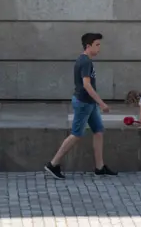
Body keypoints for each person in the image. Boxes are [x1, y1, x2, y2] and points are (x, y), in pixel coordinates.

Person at [44, 32, 117, 179]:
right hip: (84, 103)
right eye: (97, 45)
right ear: (88, 46)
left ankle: (99, 167)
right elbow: (87, 86)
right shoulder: (85, 62)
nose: (99, 48)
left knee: (98, 131)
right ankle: (53, 164)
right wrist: (101, 103)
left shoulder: (85, 60)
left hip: (89, 103)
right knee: (76, 134)